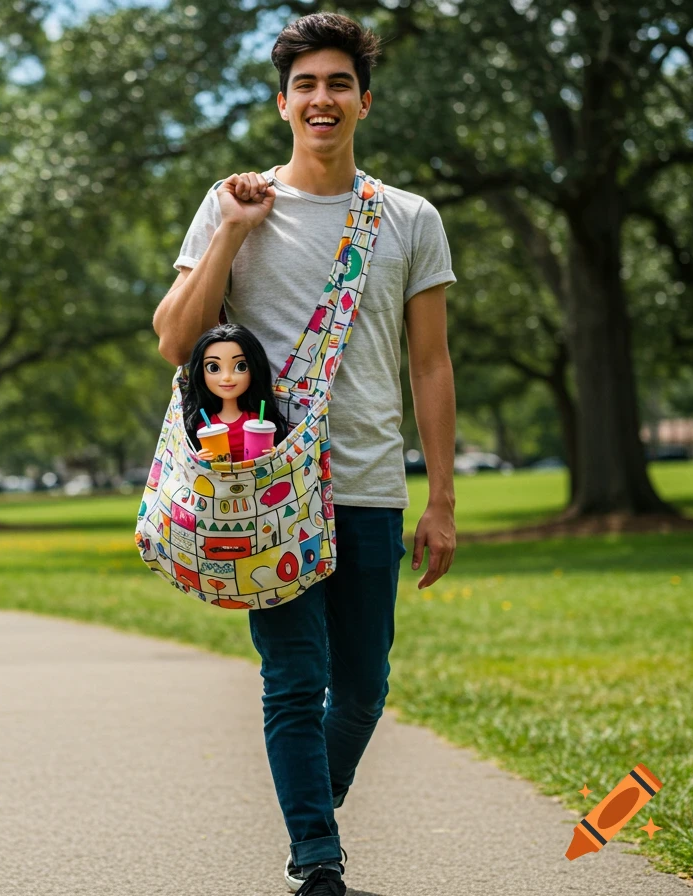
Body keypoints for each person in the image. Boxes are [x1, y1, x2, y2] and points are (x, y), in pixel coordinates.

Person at [152, 12, 457, 896]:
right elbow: (175, 339)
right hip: (263, 489)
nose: (321, 100)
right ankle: (317, 860)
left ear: (364, 99)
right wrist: (235, 233)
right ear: (283, 102)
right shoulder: (231, 203)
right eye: (306, 85)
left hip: (367, 484)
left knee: (362, 688)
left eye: (338, 84)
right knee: (294, 678)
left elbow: (431, 364)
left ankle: (307, 811)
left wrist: (440, 499)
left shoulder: (407, 219)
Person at [182, 323, 289, 462]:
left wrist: (274, 453)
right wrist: (200, 459)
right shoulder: (202, 425)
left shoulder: (258, 421)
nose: (226, 377)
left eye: (241, 366)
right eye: (213, 368)